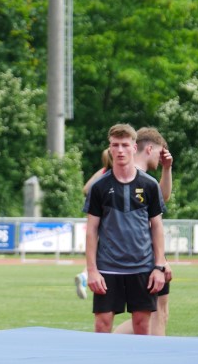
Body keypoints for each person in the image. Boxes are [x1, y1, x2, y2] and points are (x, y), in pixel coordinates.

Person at [84, 123, 167, 335]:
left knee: (141, 327)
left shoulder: (149, 185)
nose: (120, 150)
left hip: (142, 267)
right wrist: (92, 270)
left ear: (133, 147)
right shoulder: (99, 187)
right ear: (110, 149)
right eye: (115, 145)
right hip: (108, 268)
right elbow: (91, 230)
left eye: (124, 145)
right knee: (102, 326)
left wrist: (159, 267)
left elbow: (157, 226)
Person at [114, 126, 174, 335]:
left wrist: (167, 169)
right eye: (159, 153)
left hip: (147, 257)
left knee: (159, 313)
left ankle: (107, 342)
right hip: (145, 259)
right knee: (154, 315)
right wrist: (159, 262)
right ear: (149, 149)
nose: (160, 159)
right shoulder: (133, 179)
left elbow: (162, 198)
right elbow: (138, 225)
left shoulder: (142, 180)